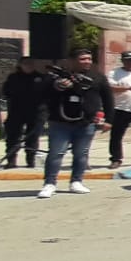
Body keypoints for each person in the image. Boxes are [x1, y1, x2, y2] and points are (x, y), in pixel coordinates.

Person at [38, 49, 113, 199]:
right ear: (72, 61)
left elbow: (108, 98)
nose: (87, 62)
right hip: (60, 122)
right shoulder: (58, 75)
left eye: (89, 59)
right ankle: (49, 183)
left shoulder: (97, 77)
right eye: (83, 59)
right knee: (56, 153)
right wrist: (57, 86)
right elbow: (42, 92)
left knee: (81, 154)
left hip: (86, 123)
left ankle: (76, 181)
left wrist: (109, 120)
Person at [1, 57, 46, 169]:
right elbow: (6, 92)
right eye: (26, 63)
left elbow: (46, 94)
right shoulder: (13, 78)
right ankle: (11, 160)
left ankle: (30, 160)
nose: (29, 66)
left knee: (32, 137)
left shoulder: (40, 77)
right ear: (20, 65)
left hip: (36, 113)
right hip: (16, 111)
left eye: (31, 63)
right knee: (13, 136)